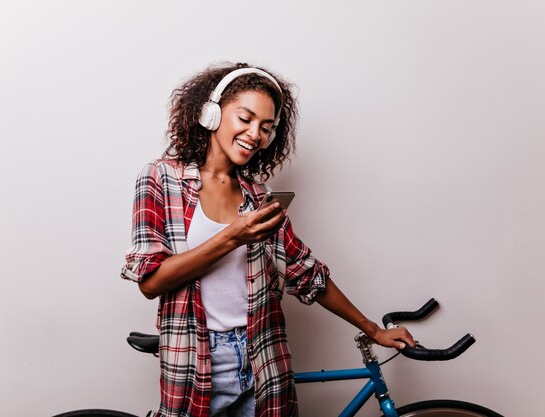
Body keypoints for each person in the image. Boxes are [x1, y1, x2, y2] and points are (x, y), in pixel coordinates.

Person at [121, 62, 415, 417]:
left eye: (266, 127)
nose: (254, 134)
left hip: (263, 355)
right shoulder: (160, 178)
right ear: (212, 114)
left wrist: (371, 329)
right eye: (244, 118)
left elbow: (305, 273)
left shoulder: (257, 196)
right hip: (197, 360)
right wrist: (234, 235)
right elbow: (151, 282)